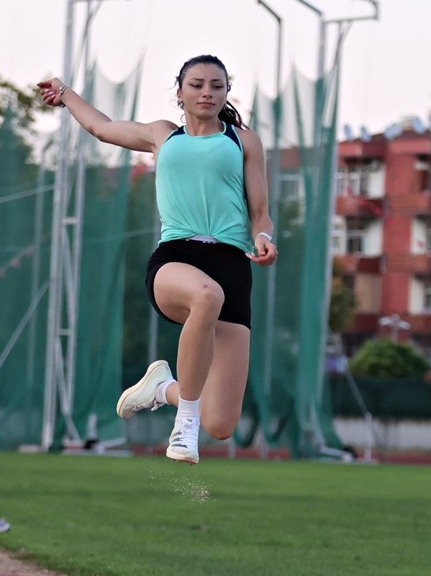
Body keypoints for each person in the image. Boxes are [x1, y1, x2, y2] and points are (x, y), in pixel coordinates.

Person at [38, 54, 278, 465]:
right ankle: (183, 425)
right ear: (180, 92)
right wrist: (64, 94)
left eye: (217, 86)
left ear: (226, 92)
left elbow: (260, 212)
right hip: (177, 259)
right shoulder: (162, 135)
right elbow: (100, 127)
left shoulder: (244, 141)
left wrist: (264, 238)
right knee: (206, 295)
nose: (207, 92)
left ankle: (162, 389)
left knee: (221, 423)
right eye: (197, 85)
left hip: (233, 268)